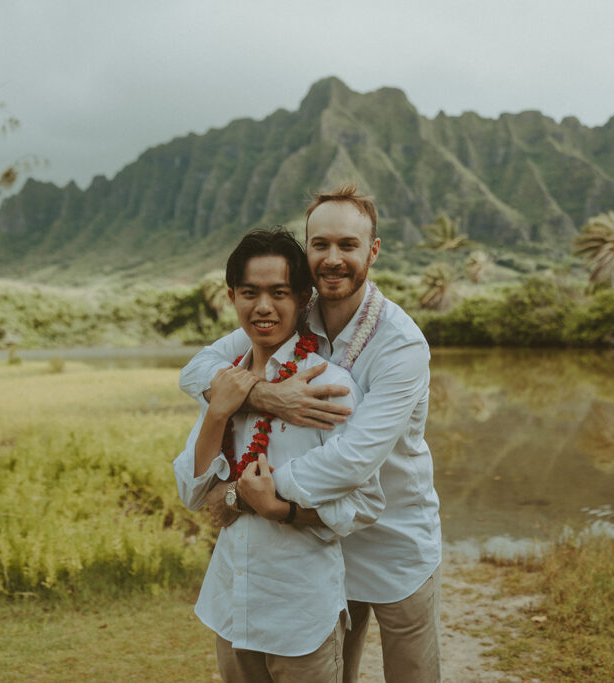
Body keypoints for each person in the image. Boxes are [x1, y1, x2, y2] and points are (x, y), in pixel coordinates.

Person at [180, 185, 443, 682]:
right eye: (320, 244)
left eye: (348, 244)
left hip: (391, 535)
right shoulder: (291, 312)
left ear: (374, 250)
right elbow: (197, 370)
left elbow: (353, 461)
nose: (333, 258)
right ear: (307, 252)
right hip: (317, 539)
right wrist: (266, 396)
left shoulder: (401, 345)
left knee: (412, 674)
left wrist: (247, 494)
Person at [172, 227, 384, 683]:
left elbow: (364, 503)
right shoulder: (224, 382)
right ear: (232, 296)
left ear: (304, 298)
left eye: (279, 293)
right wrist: (218, 411)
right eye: (249, 293)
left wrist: (278, 508)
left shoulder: (330, 387)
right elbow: (193, 492)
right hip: (232, 607)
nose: (263, 307)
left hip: (301, 617)